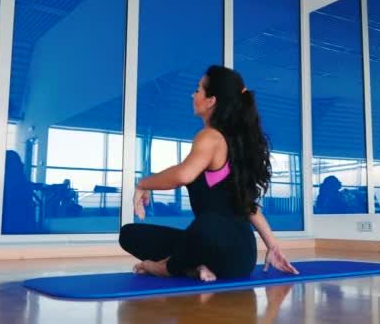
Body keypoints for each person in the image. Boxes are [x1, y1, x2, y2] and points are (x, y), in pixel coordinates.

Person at [119, 65, 298, 281]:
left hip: (228, 250)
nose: (193, 94)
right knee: (130, 234)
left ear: (211, 100)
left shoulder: (210, 137)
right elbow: (248, 205)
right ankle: (195, 268)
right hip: (225, 251)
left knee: (205, 225)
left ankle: (164, 267)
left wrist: (143, 183)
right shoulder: (231, 142)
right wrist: (273, 246)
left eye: (198, 90)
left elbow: (183, 175)